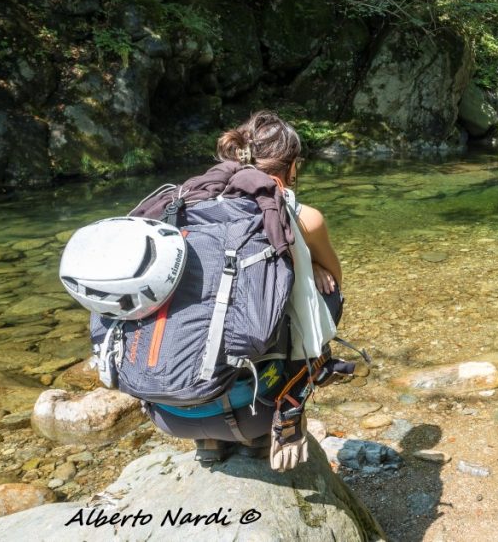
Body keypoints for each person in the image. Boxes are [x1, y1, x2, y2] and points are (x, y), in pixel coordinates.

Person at [142, 111, 348, 467]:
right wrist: (307, 262)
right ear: (292, 166)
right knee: (327, 295)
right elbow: (336, 279)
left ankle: (208, 440)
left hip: (166, 410)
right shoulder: (303, 217)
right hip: (255, 412)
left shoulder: (186, 205)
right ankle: (275, 422)